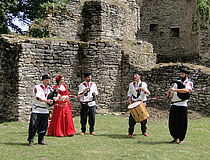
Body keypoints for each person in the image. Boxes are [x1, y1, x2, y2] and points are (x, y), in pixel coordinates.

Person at [27, 74, 56, 146]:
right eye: (46, 80)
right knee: (33, 125)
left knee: (44, 126)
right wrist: (47, 101)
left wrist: (56, 99)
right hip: (37, 109)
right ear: (43, 80)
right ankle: (31, 140)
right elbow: (38, 98)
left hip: (45, 110)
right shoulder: (38, 87)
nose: (48, 81)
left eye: (49, 80)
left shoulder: (51, 89)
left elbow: (57, 96)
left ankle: (41, 139)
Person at [167, 68, 193, 144]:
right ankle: (175, 137)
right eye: (180, 74)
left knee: (182, 123)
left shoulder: (189, 83)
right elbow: (172, 94)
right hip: (174, 104)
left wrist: (175, 90)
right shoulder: (176, 83)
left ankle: (181, 139)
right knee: (173, 122)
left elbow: (186, 90)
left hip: (182, 105)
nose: (180, 75)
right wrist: (170, 93)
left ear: (186, 75)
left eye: (182, 74)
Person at [127, 71, 150, 138]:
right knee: (132, 118)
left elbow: (148, 93)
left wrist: (144, 90)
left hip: (142, 102)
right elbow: (129, 92)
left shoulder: (144, 84)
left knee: (143, 118)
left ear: (140, 76)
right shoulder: (131, 84)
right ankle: (130, 133)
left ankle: (144, 132)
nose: (135, 76)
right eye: (134, 75)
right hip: (134, 102)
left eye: (136, 75)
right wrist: (129, 97)